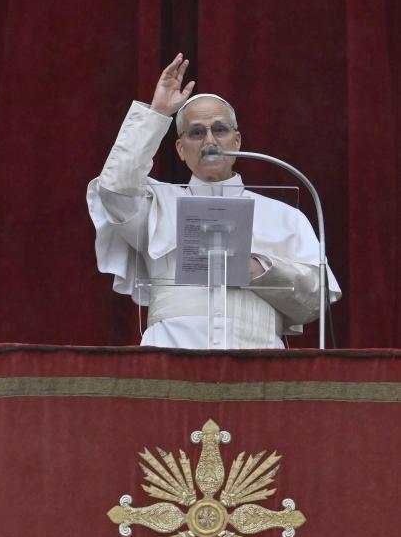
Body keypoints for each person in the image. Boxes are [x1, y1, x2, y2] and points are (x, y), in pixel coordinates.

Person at [87, 53, 341, 349]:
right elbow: (115, 189)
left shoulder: (285, 216)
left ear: (237, 140)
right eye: (197, 132)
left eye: (219, 129)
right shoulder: (158, 204)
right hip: (170, 357)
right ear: (181, 149)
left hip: (258, 363)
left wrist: (256, 269)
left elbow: (315, 298)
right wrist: (157, 114)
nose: (209, 141)